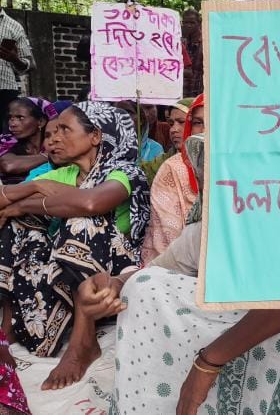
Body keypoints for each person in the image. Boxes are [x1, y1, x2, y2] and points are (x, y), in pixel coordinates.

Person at [73, 134, 280, 414]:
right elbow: (157, 273)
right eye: (212, 178)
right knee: (143, 286)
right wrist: (115, 284)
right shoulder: (210, 234)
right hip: (220, 342)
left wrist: (207, 363)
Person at [0, 102, 149, 390]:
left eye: (65, 130)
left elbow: (92, 203)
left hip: (110, 278)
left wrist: (27, 204)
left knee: (81, 218)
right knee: (17, 224)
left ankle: (84, 340)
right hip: (64, 272)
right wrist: (32, 187)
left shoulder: (124, 171)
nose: (54, 139)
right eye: (53, 132)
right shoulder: (64, 174)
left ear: (95, 136)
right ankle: (7, 330)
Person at [141, 94, 205, 264]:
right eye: (197, 122)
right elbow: (169, 238)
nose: (174, 129)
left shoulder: (239, 168)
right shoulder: (172, 168)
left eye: (181, 122)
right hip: (182, 263)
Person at [0, 98, 57, 184]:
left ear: (41, 122)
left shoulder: (53, 144)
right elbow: (8, 165)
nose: (12, 124)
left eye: (20, 118)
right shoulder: (5, 142)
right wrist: (49, 157)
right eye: (10, 118)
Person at [0, 0, 36, 130]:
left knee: (4, 136)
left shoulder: (14, 26)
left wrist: (14, 59)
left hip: (4, 90)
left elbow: (31, 64)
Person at [140, 97, 195, 182]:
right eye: (171, 124)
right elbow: (143, 171)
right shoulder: (168, 158)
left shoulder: (211, 162)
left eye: (181, 122)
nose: (173, 129)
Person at [181, 9, 204, 98]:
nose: (188, 25)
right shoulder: (179, 43)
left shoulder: (206, 43)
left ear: (199, 23)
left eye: (192, 23)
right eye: (185, 22)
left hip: (199, 93)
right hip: (182, 93)